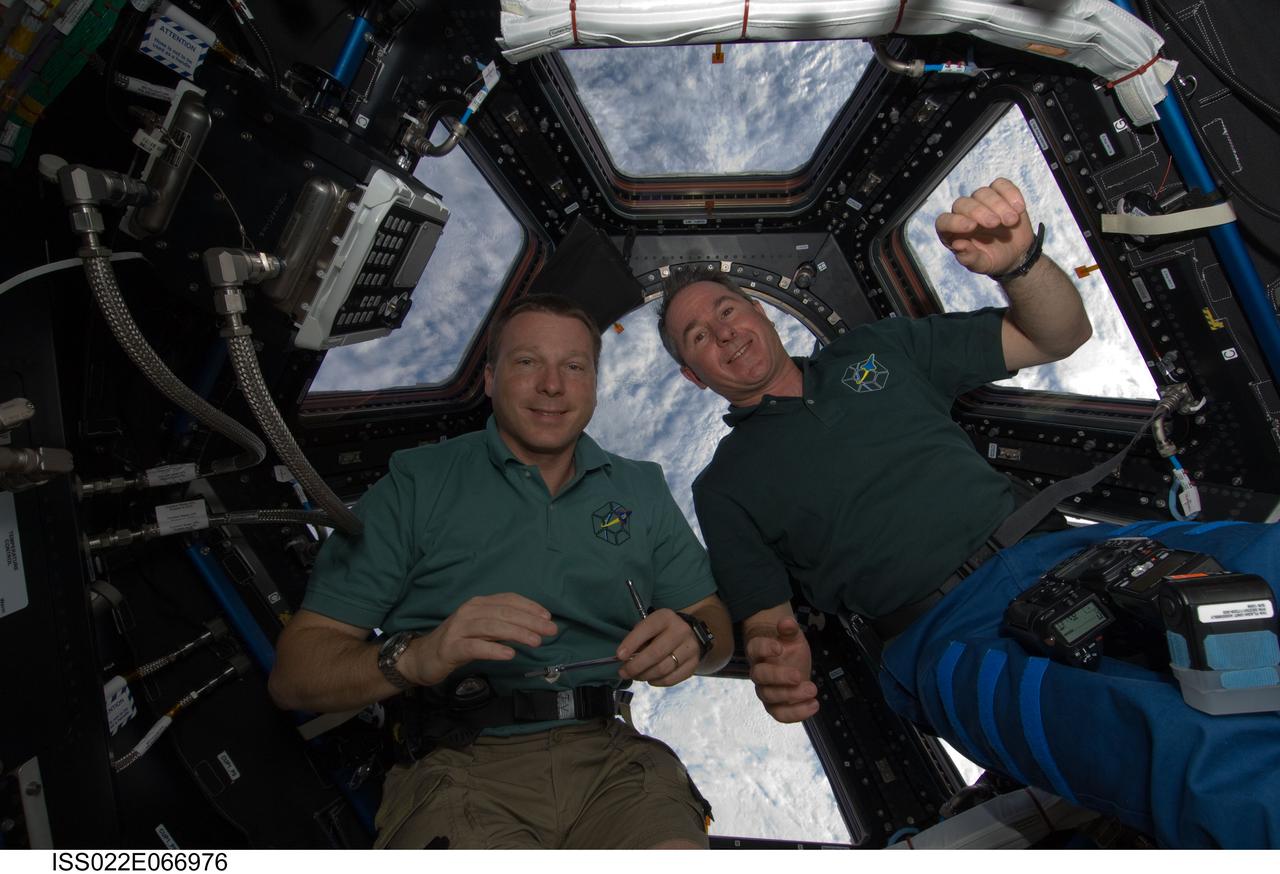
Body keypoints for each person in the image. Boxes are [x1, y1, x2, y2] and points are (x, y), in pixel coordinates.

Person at [657, 178, 1280, 848]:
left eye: (725, 309)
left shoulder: (878, 351)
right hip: (947, 637)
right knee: (1178, 752)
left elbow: (1056, 334)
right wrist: (777, 666)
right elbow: (768, 622)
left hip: (1061, 553)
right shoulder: (723, 485)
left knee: (1263, 566)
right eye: (697, 337)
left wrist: (1020, 263)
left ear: (755, 309)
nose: (722, 332)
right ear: (696, 376)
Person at [269, 294, 733, 849]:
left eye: (574, 366)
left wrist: (698, 635)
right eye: (527, 362)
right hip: (458, 769)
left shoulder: (642, 489)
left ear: (593, 384)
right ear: (488, 379)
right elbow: (294, 676)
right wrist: (416, 658)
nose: (552, 385)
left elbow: (714, 625)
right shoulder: (417, 484)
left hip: (613, 764)